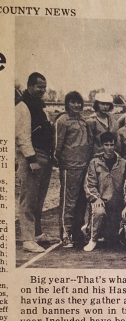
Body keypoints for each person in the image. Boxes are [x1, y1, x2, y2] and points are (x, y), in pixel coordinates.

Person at [16, 72, 59, 253]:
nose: (43, 90)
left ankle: (37, 234)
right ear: (30, 86)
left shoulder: (39, 107)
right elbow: (22, 136)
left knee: (39, 199)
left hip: (45, 157)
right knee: (29, 200)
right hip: (32, 158)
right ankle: (27, 239)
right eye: (40, 86)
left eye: (44, 87)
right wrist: (31, 159)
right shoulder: (23, 106)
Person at [54, 91, 92, 247]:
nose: (76, 105)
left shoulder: (83, 121)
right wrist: (61, 161)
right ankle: (65, 234)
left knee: (81, 202)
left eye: (79, 102)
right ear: (67, 103)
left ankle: (77, 232)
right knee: (68, 202)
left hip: (84, 166)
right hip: (69, 167)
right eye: (73, 102)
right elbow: (57, 145)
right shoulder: (62, 120)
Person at [83, 132, 126, 251]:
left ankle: (111, 232)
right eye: (106, 145)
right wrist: (96, 198)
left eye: (111, 145)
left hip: (117, 206)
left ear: (115, 145)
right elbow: (89, 185)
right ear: (102, 145)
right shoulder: (95, 162)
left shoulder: (123, 163)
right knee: (98, 211)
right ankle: (92, 239)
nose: (109, 148)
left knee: (113, 239)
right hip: (101, 203)